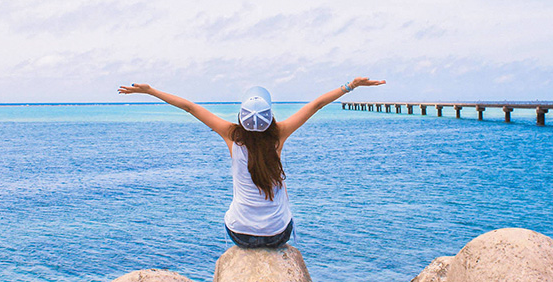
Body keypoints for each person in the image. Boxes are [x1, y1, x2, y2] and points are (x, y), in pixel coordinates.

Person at [117, 78, 386, 248]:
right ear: (269, 117)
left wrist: (150, 91)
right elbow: (316, 105)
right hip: (277, 235)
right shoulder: (279, 134)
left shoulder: (232, 135)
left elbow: (190, 107)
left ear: (241, 116)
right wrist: (350, 86)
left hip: (240, 234)